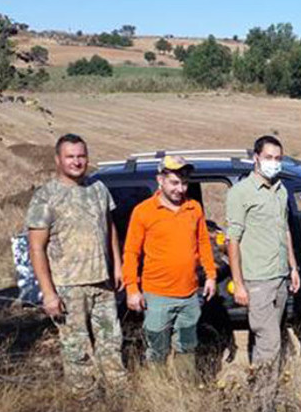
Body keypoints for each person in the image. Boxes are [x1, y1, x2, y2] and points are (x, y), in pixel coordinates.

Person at [26, 133, 127, 393]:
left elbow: (109, 228)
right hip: (68, 287)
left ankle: (118, 393)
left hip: (102, 284)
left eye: (81, 156)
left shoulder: (98, 189)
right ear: (58, 159)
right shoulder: (46, 196)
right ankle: (85, 402)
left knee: (111, 342)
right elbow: (36, 248)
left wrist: (117, 265)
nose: (77, 161)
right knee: (76, 350)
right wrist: (49, 294)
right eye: (70, 156)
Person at [122, 155, 217, 379]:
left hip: (189, 296)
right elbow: (131, 252)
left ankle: (185, 390)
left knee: (187, 346)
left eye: (184, 183)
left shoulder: (194, 208)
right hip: (157, 296)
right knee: (157, 350)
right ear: (160, 180)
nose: (180, 189)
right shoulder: (143, 211)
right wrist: (132, 288)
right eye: (174, 182)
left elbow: (203, 242)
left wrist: (211, 275)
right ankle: (160, 392)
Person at [226, 135, 301, 367]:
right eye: (269, 157)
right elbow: (232, 241)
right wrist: (238, 284)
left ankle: (265, 391)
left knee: (267, 340)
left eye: (278, 158)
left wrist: (293, 267)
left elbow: (285, 231)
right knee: (270, 343)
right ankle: (262, 400)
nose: (274, 162)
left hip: (280, 278)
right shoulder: (241, 192)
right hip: (257, 281)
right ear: (256, 158)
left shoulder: (280, 190)